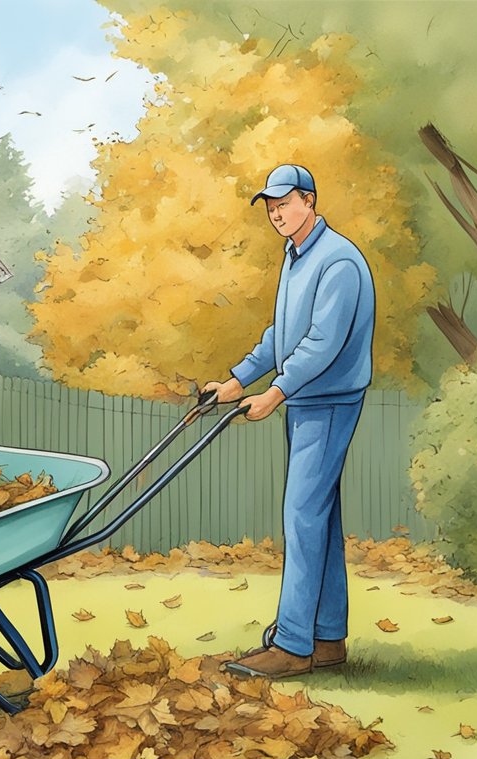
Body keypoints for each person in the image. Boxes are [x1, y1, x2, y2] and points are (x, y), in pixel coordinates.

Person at [202, 163, 376, 680]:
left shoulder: (338, 261)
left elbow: (322, 343)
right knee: (319, 518)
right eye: (271, 207)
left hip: (327, 399)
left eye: (284, 203)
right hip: (307, 398)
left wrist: (273, 394)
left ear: (310, 201)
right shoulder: (298, 257)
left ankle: (293, 644)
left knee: (302, 515)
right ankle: (326, 638)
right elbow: (284, 332)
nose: (276, 213)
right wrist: (236, 381)